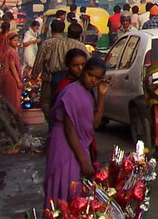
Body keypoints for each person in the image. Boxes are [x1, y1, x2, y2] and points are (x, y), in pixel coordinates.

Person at [43, 56, 109, 206]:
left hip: (79, 146)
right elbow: (69, 130)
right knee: (65, 188)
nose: (93, 80)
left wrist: (102, 95)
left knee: (76, 191)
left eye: (97, 78)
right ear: (83, 71)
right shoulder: (71, 92)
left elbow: (95, 124)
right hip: (64, 144)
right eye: (90, 75)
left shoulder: (87, 94)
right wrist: (84, 162)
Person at [31, 20, 86, 119]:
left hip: (51, 78)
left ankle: (52, 122)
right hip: (71, 78)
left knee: (48, 102)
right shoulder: (80, 46)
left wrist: (34, 76)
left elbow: (40, 62)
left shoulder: (52, 43)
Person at [0, 33, 22, 114]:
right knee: (13, 100)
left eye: (17, 40)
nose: (16, 42)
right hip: (11, 79)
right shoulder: (11, 52)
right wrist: (18, 81)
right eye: (14, 40)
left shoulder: (6, 51)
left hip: (6, 77)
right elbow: (13, 67)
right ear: (9, 41)